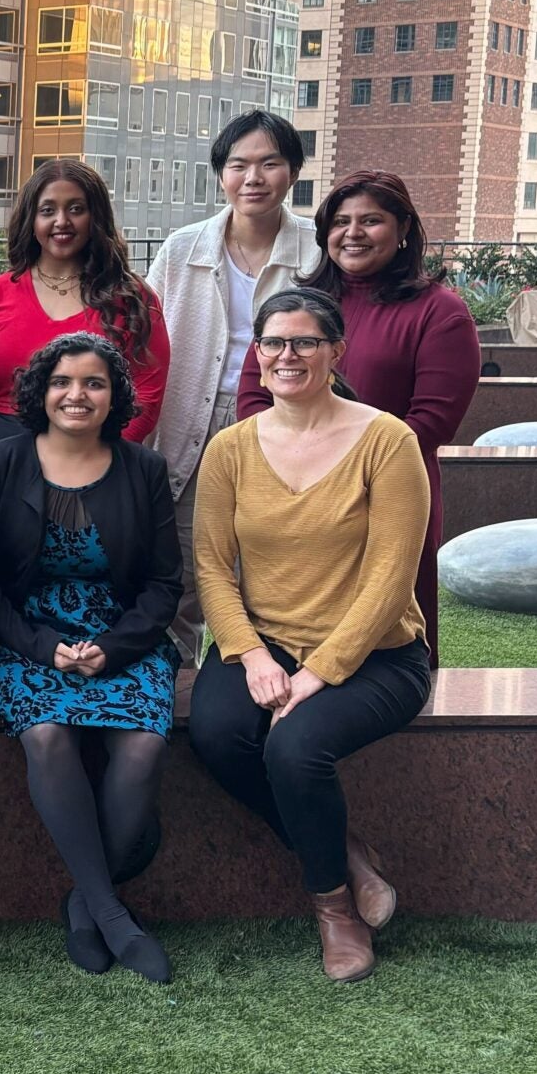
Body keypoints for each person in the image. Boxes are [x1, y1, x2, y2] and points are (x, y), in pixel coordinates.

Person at [193, 288, 431, 983]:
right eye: (273, 343)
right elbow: (210, 565)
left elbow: (392, 574)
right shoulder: (230, 449)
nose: (286, 355)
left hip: (378, 655)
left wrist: (319, 672)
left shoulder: (387, 441)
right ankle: (350, 856)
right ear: (257, 355)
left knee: (295, 749)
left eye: (303, 342)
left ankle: (334, 910)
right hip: (265, 644)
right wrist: (253, 655)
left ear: (336, 351)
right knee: (216, 735)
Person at [0, 335, 181, 984]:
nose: (76, 395)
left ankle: (86, 903)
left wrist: (112, 648)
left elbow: (164, 585)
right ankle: (114, 916)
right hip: (22, 637)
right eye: (63, 381)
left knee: (143, 745)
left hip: (120, 635)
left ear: (114, 396)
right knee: (47, 734)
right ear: (41, 390)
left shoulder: (142, 469)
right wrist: (41, 648)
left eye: (94, 383)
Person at [234, 170, 478, 662]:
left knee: (379, 640)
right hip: (289, 493)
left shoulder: (440, 312)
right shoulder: (302, 304)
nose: (353, 233)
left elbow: (431, 421)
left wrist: (346, 475)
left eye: (372, 220)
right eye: (340, 221)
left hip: (386, 495)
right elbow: (254, 395)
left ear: (404, 228)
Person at [145, 112, 319, 672]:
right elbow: (144, 338)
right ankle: (178, 691)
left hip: (284, 422)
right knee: (185, 561)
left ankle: (259, 684)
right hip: (189, 417)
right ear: (220, 173)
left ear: (292, 172)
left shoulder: (318, 252)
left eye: (270, 163)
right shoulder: (181, 248)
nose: (254, 177)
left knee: (273, 561)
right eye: (238, 164)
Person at [0, 157, 168, 451]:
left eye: (76, 209)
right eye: (47, 210)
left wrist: (99, 463)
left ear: (96, 217)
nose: (62, 221)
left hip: (95, 460)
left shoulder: (134, 298)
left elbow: (147, 392)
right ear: (32, 219)